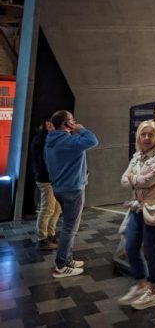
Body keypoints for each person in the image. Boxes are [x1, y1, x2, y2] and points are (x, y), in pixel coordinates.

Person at [118, 120, 155, 310]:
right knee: (130, 246)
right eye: (143, 134)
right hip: (137, 208)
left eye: (150, 134)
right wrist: (134, 179)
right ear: (138, 137)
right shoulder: (137, 156)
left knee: (150, 249)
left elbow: (148, 180)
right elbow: (124, 180)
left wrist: (134, 179)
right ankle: (141, 285)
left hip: (154, 209)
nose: (146, 138)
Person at [44, 110, 98, 278]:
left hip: (60, 188)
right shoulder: (69, 141)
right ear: (66, 123)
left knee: (68, 226)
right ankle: (61, 265)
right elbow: (93, 140)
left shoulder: (51, 140)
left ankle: (67, 259)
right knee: (70, 228)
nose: (75, 122)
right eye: (71, 120)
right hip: (73, 189)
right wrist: (80, 129)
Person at [31, 115, 61, 250]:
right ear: (48, 124)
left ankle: (51, 234)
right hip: (46, 179)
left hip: (50, 178)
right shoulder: (42, 140)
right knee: (48, 208)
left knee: (56, 208)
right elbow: (44, 162)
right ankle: (42, 238)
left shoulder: (47, 138)